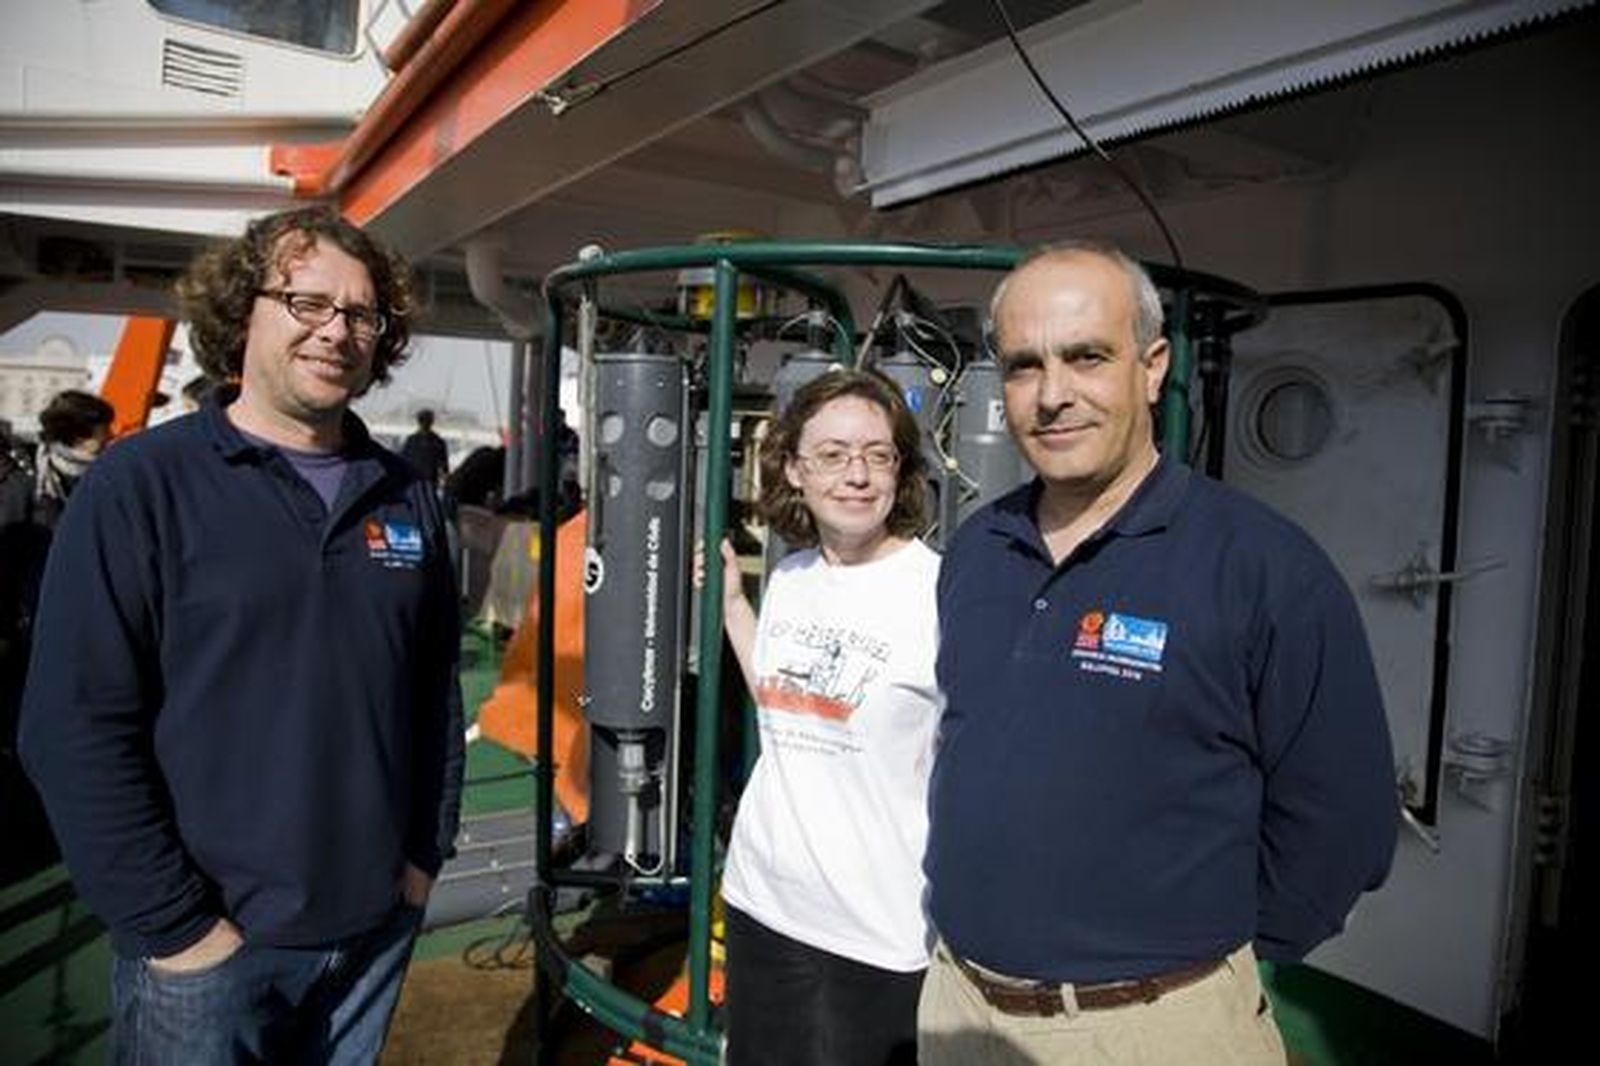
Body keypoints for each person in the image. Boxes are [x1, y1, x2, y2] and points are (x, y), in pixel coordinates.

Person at [919, 241, 1397, 1065]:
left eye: (1087, 357)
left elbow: (1342, 825)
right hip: (960, 1009)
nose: (1053, 395)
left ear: (1152, 366)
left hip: (1153, 1028)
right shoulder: (978, 548)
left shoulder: (1263, 567)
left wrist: (1191, 969)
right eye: (1026, 366)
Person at [19, 205, 464, 1063]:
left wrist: (421, 860)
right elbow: (71, 726)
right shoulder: (141, 484)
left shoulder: (405, 495)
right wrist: (179, 930)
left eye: (361, 313)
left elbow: (432, 691)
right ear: (242, 312)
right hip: (207, 948)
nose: (337, 330)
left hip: (373, 931)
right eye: (307, 302)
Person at [710, 368, 942, 1066]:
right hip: (762, 902)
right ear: (795, 469)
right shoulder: (792, 577)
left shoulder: (937, 593)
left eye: (877, 454)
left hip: (878, 930)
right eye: (834, 454)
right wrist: (732, 608)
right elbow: (784, 701)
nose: (857, 475)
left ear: (901, 472)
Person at [32, 388, 114, 528]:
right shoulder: (33, 476)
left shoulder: (108, 472)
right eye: (104, 430)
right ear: (79, 436)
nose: (111, 435)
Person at [400, 407, 449, 484]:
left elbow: (403, 461)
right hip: (426, 482)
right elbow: (444, 467)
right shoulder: (438, 442)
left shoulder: (411, 440)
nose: (425, 423)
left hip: (417, 482)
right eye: (424, 420)